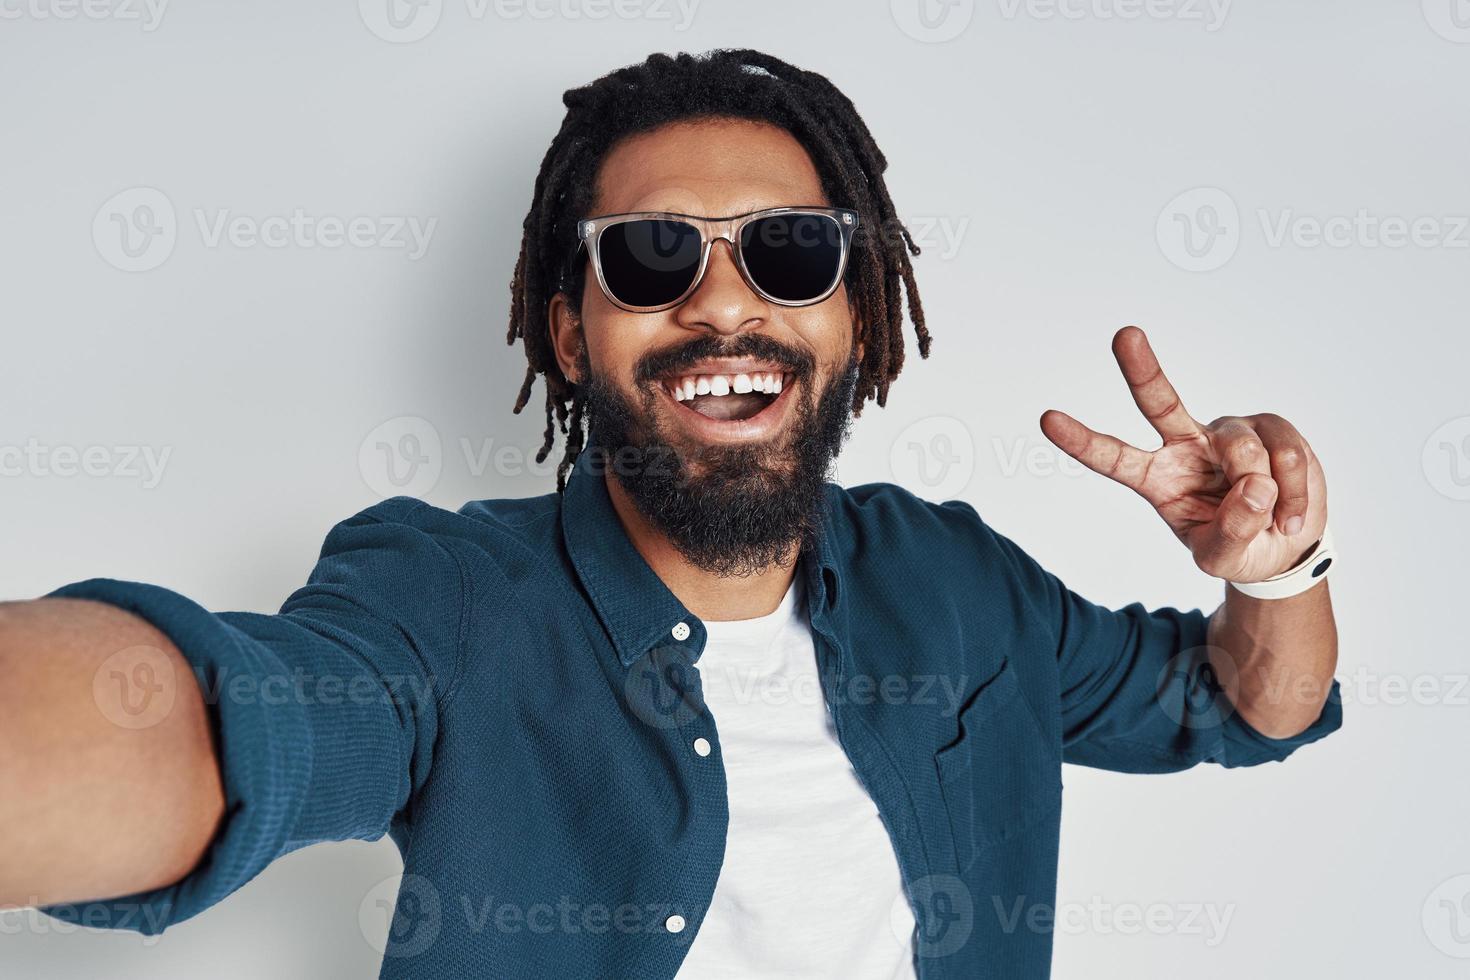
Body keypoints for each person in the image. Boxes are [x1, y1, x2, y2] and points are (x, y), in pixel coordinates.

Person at [0, 49, 1341, 979]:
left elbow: (1241, 704)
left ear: (854, 313)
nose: (720, 305)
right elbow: (243, 723)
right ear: (569, 334)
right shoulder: (448, 601)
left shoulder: (959, 581)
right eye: (648, 259)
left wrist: (1276, 577)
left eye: (788, 250)